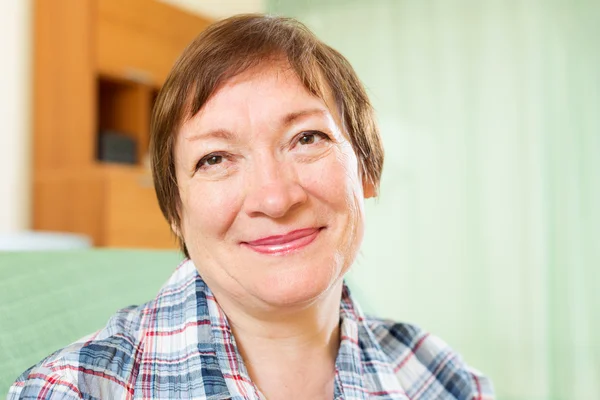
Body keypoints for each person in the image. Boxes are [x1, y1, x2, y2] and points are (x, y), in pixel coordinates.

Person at [9, 14, 494, 399]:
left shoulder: (443, 379)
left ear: (366, 168)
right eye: (215, 158)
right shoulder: (73, 390)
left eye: (307, 138)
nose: (275, 198)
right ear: (174, 210)